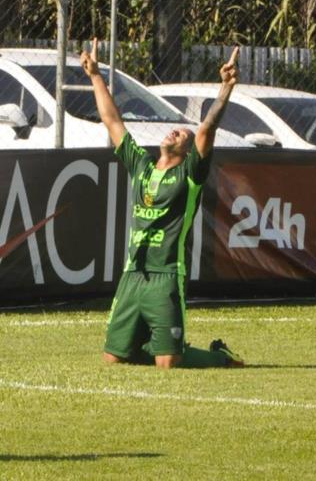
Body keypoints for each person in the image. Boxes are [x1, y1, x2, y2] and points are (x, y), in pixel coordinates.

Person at [81, 38, 244, 369]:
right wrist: (96, 76)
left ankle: (219, 357)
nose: (176, 132)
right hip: (133, 274)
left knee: (168, 363)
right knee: (114, 360)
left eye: (183, 135)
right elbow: (113, 122)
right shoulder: (141, 165)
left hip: (167, 275)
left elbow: (207, 130)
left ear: (187, 150)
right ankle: (150, 342)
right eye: (175, 131)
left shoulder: (190, 174)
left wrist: (225, 88)